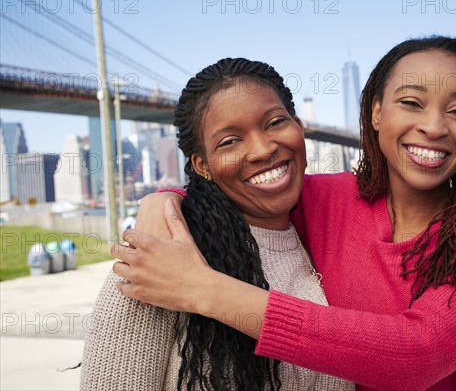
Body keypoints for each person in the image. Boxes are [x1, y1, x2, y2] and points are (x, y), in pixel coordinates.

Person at [112, 36, 456, 390]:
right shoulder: (326, 199)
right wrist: (165, 202)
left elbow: (415, 356)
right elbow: (248, 181)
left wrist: (204, 290)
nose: (433, 126)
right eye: (411, 103)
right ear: (377, 111)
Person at [80, 58, 354, 391]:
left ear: (298, 126)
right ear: (202, 165)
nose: (262, 149)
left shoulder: (323, 238)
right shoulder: (158, 259)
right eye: (229, 141)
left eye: (275, 122)